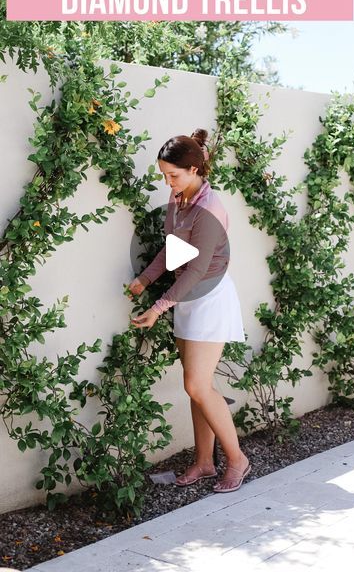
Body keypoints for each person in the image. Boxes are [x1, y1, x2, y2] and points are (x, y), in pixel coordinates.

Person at [127, 129, 251, 493]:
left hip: (208, 298)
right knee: (199, 388)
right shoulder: (179, 199)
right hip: (186, 299)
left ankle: (237, 459)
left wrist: (158, 306)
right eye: (165, 175)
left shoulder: (210, 208)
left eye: (174, 175)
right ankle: (203, 462)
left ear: (195, 169)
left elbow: (196, 267)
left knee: (196, 385)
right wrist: (147, 280)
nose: (169, 182)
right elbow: (173, 250)